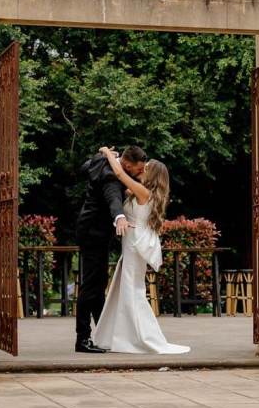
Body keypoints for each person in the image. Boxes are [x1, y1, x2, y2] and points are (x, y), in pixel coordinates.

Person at [91, 149, 189, 354]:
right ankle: (119, 336)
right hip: (131, 244)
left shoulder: (144, 193)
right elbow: (117, 188)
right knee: (124, 289)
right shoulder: (139, 191)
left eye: (146, 168)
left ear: (151, 174)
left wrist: (108, 153)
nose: (142, 169)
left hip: (135, 245)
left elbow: (119, 175)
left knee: (132, 291)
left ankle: (142, 338)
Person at [74, 146, 147, 353]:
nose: (138, 173)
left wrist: (103, 154)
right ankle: (82, 339)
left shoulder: (100, 162)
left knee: (98, 284)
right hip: (93, 234)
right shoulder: (111, 178)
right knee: (90, 286)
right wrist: (119, 216)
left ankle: (103, 334)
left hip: (91, 231)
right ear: (126, 164)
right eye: (136, 169)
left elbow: (84, 167)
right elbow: (113, 198)